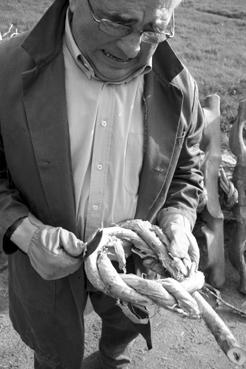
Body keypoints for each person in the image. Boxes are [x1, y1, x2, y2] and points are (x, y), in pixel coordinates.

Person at [0, 0, 204, 368]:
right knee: (53, 349)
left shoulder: (180, 86)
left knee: (124, 325)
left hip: (132, 266)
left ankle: (111, 357)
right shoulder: (4, 71)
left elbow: (187, 171)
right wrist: (25, 233)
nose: (131, 47)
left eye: (154, 29)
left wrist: (177, 218)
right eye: (115, 22)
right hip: (43, 270)